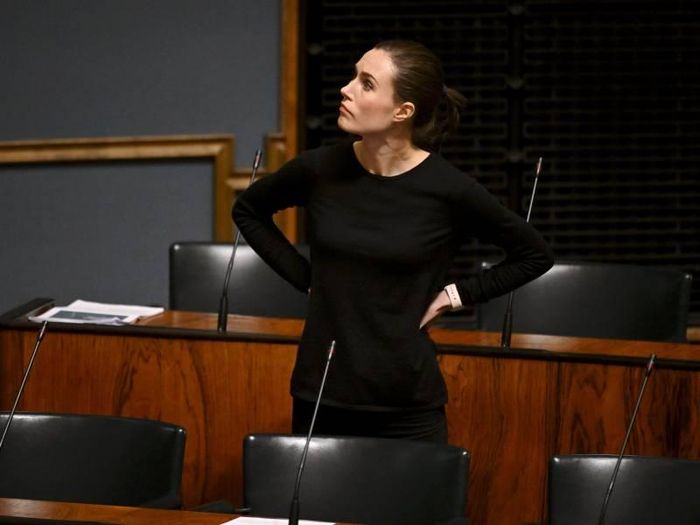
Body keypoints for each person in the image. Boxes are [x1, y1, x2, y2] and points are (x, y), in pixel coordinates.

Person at [233, 40, 553, 443]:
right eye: (353, 76)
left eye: (366, 83)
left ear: (403, 112)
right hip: (323, 392)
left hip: (408, 403)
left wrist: (453, 296)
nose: (345, 89)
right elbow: (248, 210)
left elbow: (534, 254)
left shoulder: (448, 188)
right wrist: (307, 278)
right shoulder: (319, 168)